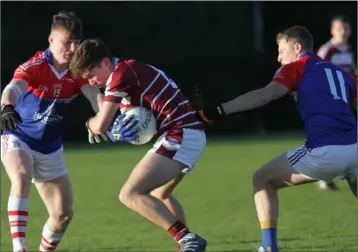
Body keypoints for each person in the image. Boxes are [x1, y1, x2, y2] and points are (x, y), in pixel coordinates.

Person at [197, 26, 357, 252]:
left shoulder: (296, 67)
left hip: (325, 151)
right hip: (355, 147)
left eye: (282, 51)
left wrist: (220, 110)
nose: (279, 57)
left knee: (262, 179)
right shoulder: (341, 73)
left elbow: (267, 94)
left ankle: (268, 247)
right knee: (354, 176)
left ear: (297, 47)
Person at [0, 12, 136, 252]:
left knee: (62, 215)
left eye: (76, 42)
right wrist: (7, 107)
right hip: (18, 136)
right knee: (21, 176)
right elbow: (12, 88)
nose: (72, 48)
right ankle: (18, 247)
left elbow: (96, 99)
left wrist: (108, 119)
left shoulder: (77, 72)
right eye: (67, 42)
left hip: (50, 148)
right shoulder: (35, 65)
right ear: (51, 39)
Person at [68, 38, 207, 252]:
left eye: (91, 74)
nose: (92, 81)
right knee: (160, 195)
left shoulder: (121, 74)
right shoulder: (128, 72)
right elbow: (137, 126)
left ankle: (187, 238)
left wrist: (90, 124)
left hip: (180, 134)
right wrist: (120, 132)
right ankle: (186, 246)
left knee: (129, 194)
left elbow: (101, 124)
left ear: (106, 62)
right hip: (185, 133)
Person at [316, 15, 356, 190]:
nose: (343, 32)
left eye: (346, 28)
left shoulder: (348, 49)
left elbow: (351, 75)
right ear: (332, 31)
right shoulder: (327, 51)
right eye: (340, 28)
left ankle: (327, 176)